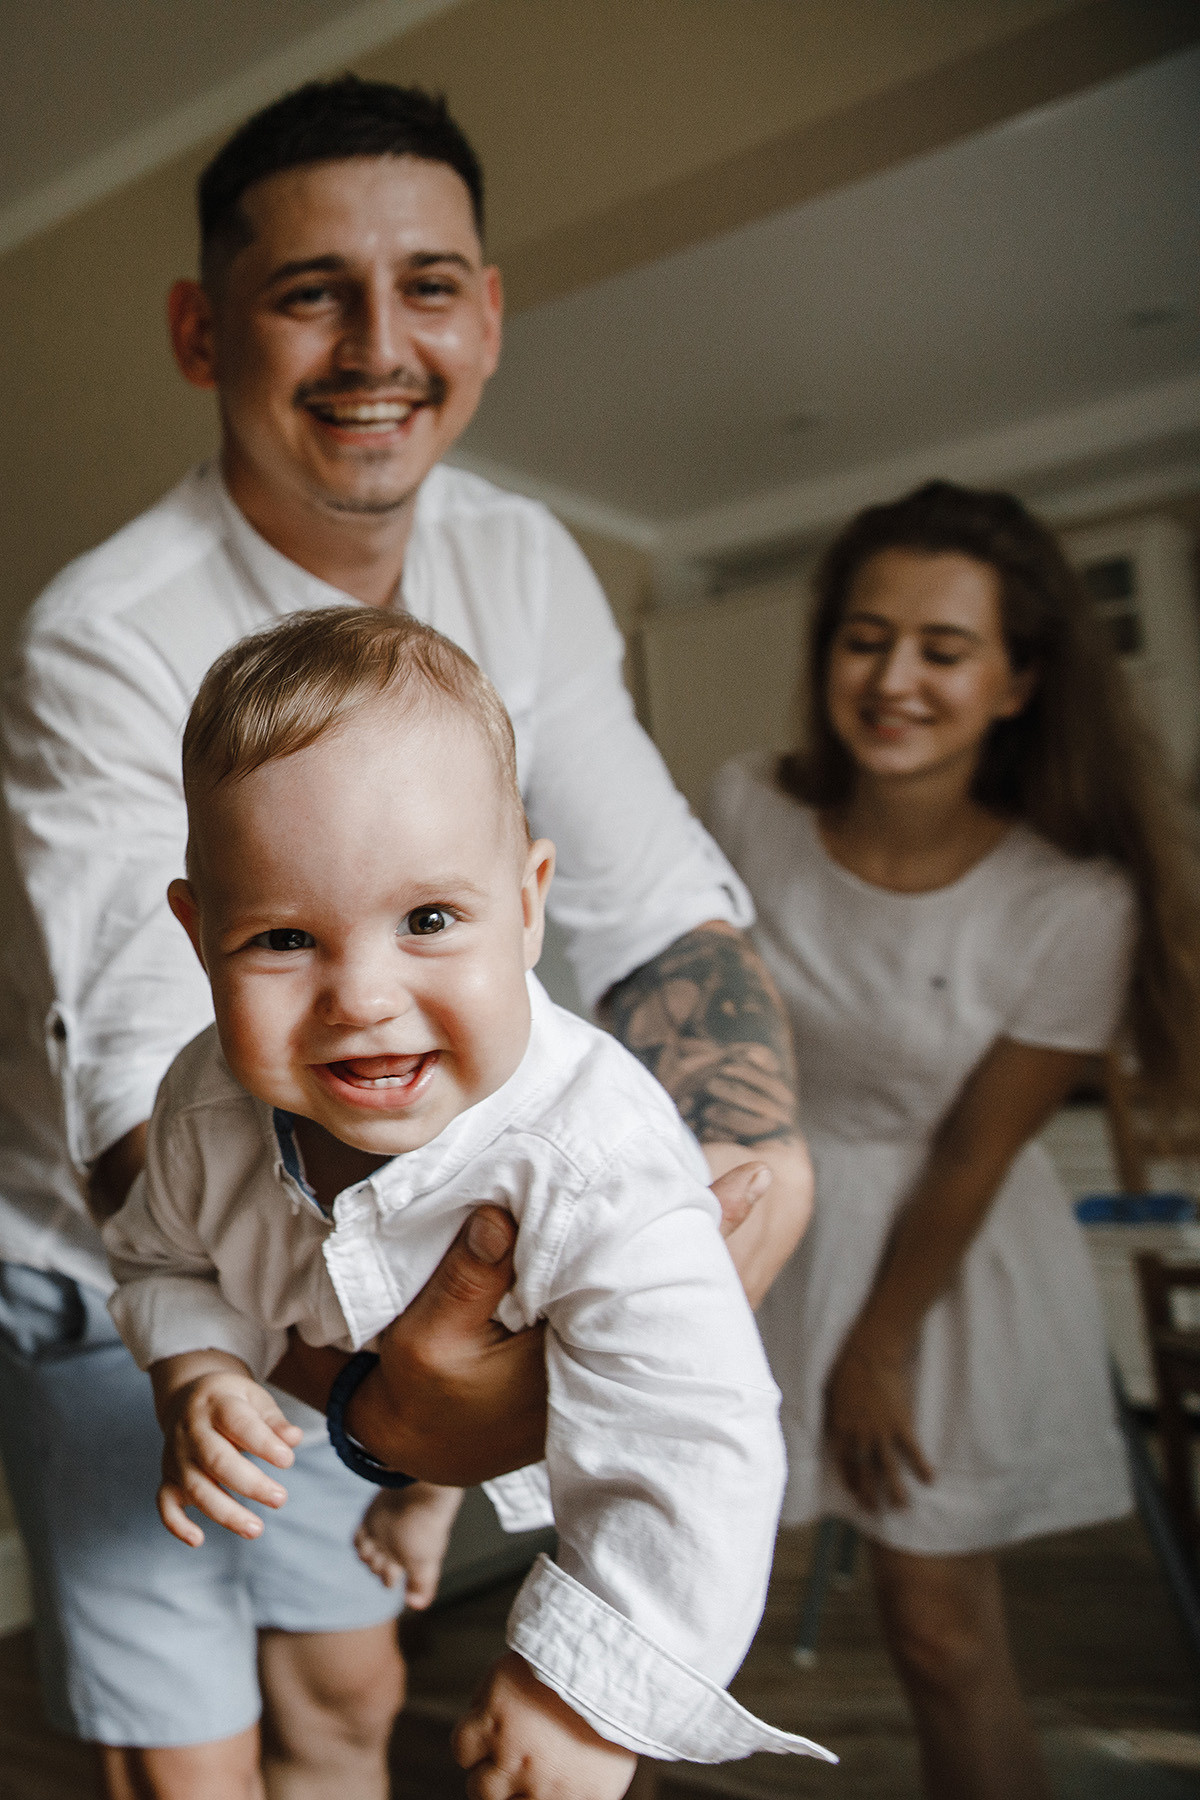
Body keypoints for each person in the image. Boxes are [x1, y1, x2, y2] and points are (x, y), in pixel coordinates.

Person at [0, 77, 810, 1800]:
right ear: (201, 328)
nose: (381, 344)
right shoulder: (105, 634)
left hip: (395, 1247)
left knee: (348, 1702)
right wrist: (360, 1398)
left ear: (489, 313)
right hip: (122, 1256)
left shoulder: (524, 562)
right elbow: (155, 1091)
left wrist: (726, 1170)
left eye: (429, 282)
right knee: (187, 1757)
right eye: (312, 292)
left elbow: (651, 903)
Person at [102, 606, 834, 1799]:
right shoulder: (198, 1108)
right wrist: (199, 1370)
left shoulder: (597, 1149)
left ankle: (431, 1506)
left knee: (602, 1417)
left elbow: (691, 1441)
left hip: (544, 1357)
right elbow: (163, 1260)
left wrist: (587, 1697)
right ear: (200, 939)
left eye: (429, 921)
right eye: (284, 938)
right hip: (342, 1357)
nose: (363, 997)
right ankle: (425, 1499)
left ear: (531, 901)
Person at [706, 479, 1200, 1800]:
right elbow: (703, 1039)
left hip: (946, 1259)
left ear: (1018, 680)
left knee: (937, 1627)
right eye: (867, 638)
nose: (895, 679)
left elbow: (976, 1150)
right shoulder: (751, 805)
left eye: (944, 648)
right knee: (674, 1591)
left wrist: (877, 1347)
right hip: (768, 1222)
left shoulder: (1073, 896)